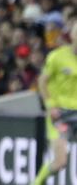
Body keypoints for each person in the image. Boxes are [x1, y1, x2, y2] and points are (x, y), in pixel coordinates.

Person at [32, 21, 77, 185]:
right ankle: (37, 182)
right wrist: (50, 105)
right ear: (72, 36)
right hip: (60, 115)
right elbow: (42, 81)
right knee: (60, 162)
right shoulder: (57, 56)